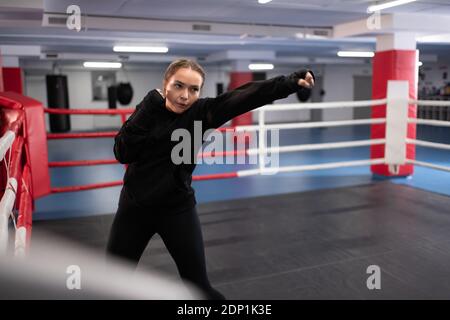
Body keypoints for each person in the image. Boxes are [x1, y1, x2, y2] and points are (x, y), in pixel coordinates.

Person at [107, 59, 315, 300]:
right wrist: (146, 109)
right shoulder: (148, 111)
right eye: (178, 86)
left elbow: (245, 96)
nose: (184, 96)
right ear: (165, 84)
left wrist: (288, 83)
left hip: (176, 209)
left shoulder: (201, 113)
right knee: (111, 282)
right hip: (134, 209)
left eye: (193, 89)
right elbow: (122, 153)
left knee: (199, 288)